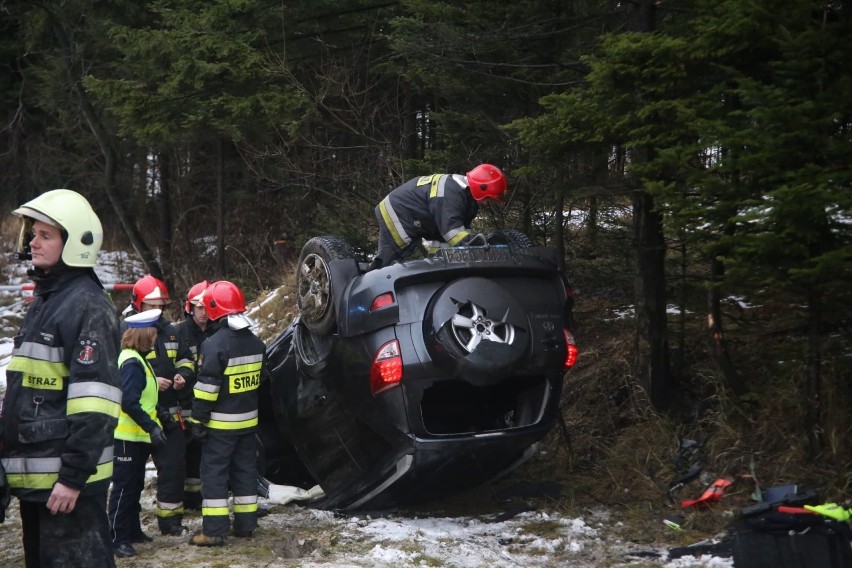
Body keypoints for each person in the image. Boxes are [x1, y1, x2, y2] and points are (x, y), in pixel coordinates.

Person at [0, 189, 123, 567]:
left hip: (66, 488)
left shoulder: (87, 306)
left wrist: (72, 478)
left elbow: (96, 404)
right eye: (32, 234)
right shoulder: (47, 301)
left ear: (76, 244)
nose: (32, 241)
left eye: (45, 235)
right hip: (39, 486)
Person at [188, 280, 266, 546]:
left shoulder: (214, 345)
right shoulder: (256, 343)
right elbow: (261, 382)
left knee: (214, 475)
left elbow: (206, 390)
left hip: (220, 427)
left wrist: (197, 420)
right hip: (248, 424)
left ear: (213, 309)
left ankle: (214, 531)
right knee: (245, 472)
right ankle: (245, 526)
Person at [123, 275, 196, 535]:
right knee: (130, 476)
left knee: (174, 467)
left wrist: (182, 376)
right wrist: (154, 382)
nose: (157, 311)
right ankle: (127, 528)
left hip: (169, 414)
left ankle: (170, 521)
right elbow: (120, 373)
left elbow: (187, 360)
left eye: (161, 305)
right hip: (137, 417)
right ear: (137, 304)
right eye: (151, 305)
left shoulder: (172, 331)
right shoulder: (126, 331)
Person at [109, 309, 169, 558]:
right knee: (124, 488)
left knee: (134, 486)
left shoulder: (138, 359)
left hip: (136, 437)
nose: (156, 339)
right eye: (154, 335)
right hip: (127, 437)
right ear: (144, 336)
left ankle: (131, 530)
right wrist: (151, 426)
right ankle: (117, 537)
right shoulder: (132, 362)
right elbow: (129, 402)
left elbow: (145, 398)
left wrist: (160, 415)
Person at [370, 163, 508, 269]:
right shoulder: (451, 194)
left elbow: (452, 234)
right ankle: (370, 285)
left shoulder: (466, 198)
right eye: (488, 199)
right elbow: (453, 232)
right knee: (389, 257)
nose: (487, 204)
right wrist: (475, 246)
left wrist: (439, 262)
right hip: (397, 210)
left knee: (441, 251)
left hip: (414, 215)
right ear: (480, 188)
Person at [173, 280, 211, 511]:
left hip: (209, 405)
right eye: (200, 308)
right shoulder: (178, 332)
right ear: (190, 308)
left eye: (208, 307)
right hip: (184, 404)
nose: (204, 313)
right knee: (183, 454)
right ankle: (186, 498)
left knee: (202, 453)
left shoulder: (219, 331)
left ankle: (198, 497)